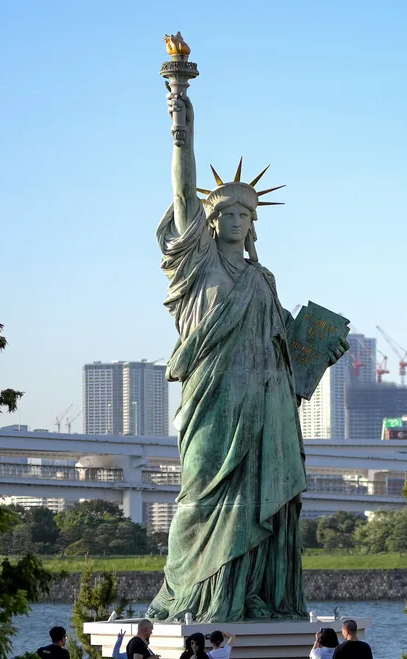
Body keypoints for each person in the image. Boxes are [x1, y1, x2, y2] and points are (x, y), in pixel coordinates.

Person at [143, 65, 348, 624]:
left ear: (253, 223)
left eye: (245, 214)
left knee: (261, 497)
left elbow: (287, 348)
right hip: (212, 400)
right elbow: (182, 189)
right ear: (211, 219)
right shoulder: (198, 264)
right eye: (226, 212)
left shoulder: (263, 280)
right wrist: (181, 121)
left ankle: (253, 593)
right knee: (202, 493)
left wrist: (320, 349)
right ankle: (198, 594)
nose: (235, 219)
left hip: (263, 405)